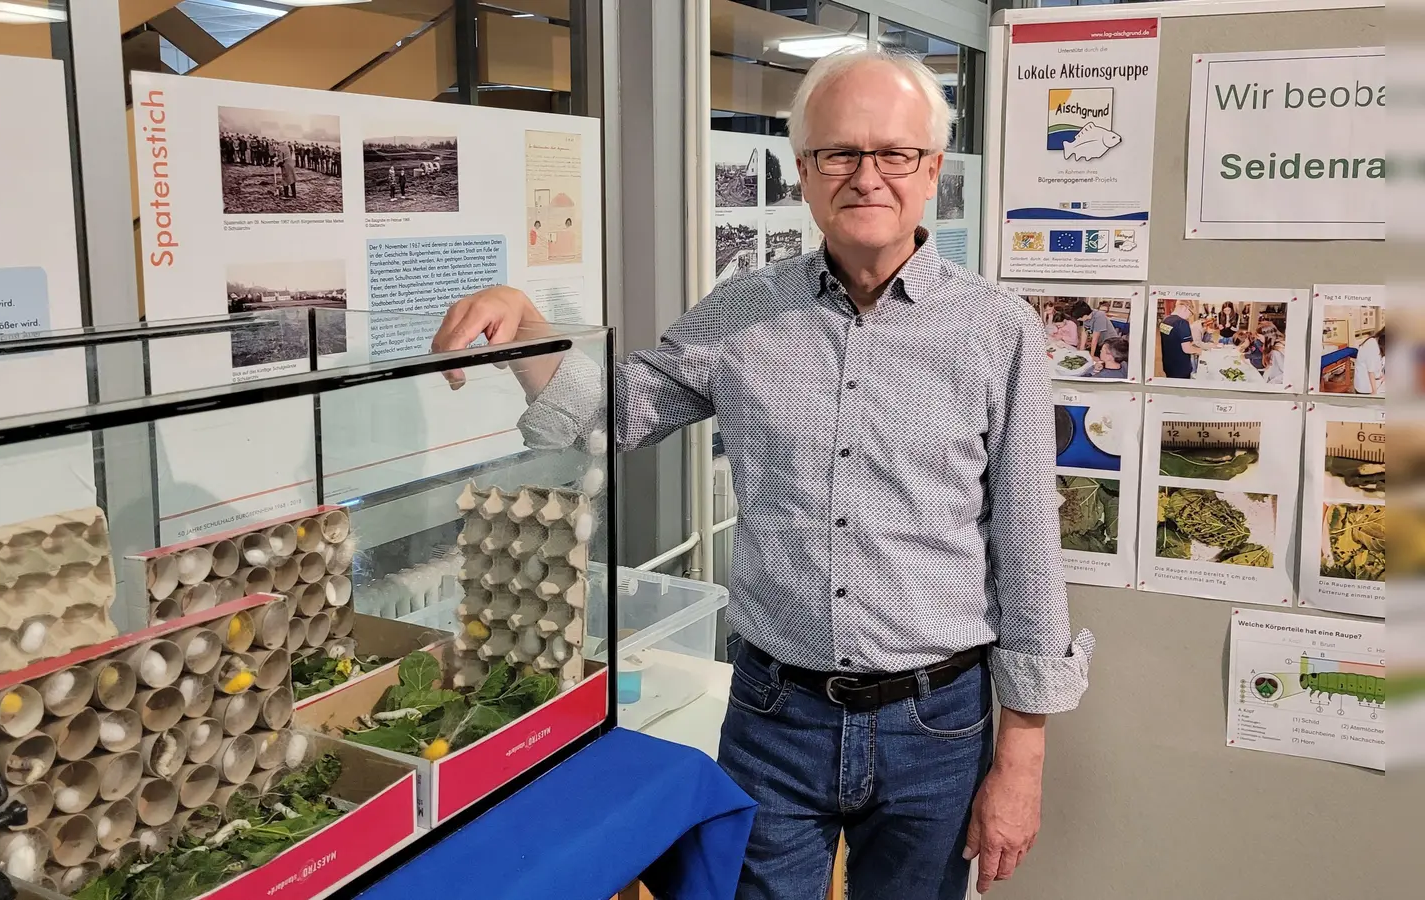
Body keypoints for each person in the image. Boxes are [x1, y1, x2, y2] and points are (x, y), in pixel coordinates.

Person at [428, 46, 1091, 900]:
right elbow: (616, 410)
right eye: (838, 154)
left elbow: (1030, 547)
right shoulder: (745, 311)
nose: (866, 176)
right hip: (777, 716)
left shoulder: (997, 329)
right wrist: (531, 329)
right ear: (803, 172)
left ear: (931, 172)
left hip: (937, 724)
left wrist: (1022, 763)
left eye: (894, 154)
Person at [1158, 300, 1201, 379]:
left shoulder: (1165, 320)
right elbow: (1187, 349)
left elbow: (1174, 340)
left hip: (1168, 365)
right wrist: (1201, 351)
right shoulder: (1182, 323)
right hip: (1181, 368)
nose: (1189, 316)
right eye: (1190, 313)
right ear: (1185, 308)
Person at [1354, 326, 1386, 394]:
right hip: (1366, 387)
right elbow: (1371, 371)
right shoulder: (1372, 345)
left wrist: (1382, 375)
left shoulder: (1378, 343)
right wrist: (1374, 392)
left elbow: (1380, 363)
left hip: (1376, 382)